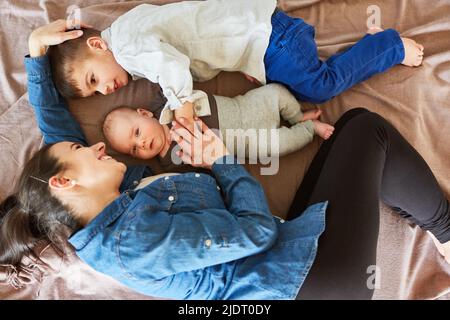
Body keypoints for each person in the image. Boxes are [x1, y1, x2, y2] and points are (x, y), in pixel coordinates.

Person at [2, 20, 448, 300]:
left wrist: (39, 51)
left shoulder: (106, 211)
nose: (98, 145)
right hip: (312, 283)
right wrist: (222, 161)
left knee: (342, 142)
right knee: (366, 129)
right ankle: (446, 229)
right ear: (65, 184)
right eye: (85, 150)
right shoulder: (133, 244)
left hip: (293, 255)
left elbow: (57, 136)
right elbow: (252, 234)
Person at [45, 0, 424, 129]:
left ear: (97, 44)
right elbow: (184, 51)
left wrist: (182, 105)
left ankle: (388, 46)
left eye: (93, 78)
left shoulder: (126, 46)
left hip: (268, 37)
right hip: (258, 39)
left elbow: (170, 65)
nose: (105, 89)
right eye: (95, 91)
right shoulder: (129, 33)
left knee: (318, 87)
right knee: (289, 91)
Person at [102, 84, 334, 161]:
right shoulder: (169, 161)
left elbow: (169, 78)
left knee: (276, 92)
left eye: (136, 132)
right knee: (279, 145)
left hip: (245, 107)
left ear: (145, 113)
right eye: (133, 149)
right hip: (248, 145)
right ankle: (309, 128)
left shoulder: (166, 104)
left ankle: (296, 116)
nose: (141, 143)